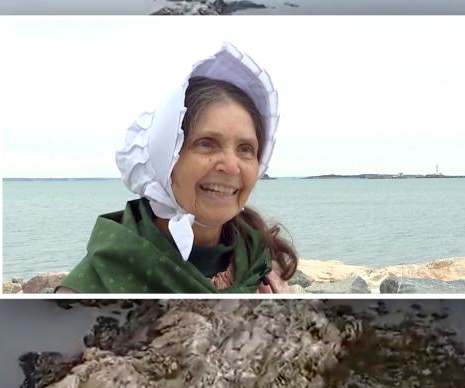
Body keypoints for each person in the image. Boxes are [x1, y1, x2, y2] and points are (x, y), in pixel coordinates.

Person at [57, 42, 297, 294]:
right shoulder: (95, 288)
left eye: (245, 148)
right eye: (206, 144)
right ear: (165, 158)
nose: (231, 166)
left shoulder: (261, 265)